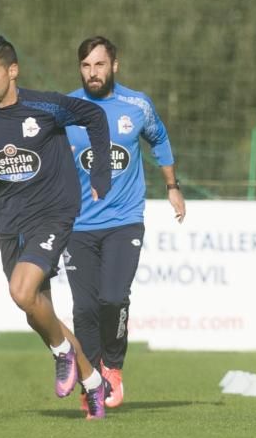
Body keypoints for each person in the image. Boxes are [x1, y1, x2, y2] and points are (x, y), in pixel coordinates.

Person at [0, 34, 114, 420]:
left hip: (53, 213)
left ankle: (63, 356)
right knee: (35, 308)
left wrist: (100, 169)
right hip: (8, 223)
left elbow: (95, 116)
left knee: (20, 290)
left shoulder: (45, 106)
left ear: (12, 71)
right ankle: (94, 384)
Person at [64, 35, 187, 415]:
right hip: (77, 225)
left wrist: (172, 187)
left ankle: (112, 368)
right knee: (84, 309)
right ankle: (91, 382)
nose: (92, 73)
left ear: (114, 65)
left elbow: (160, 139)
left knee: (112, 298)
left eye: (99, 65)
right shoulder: (67, 109)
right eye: (86, 66)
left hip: (124, 221)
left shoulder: (136, 106)